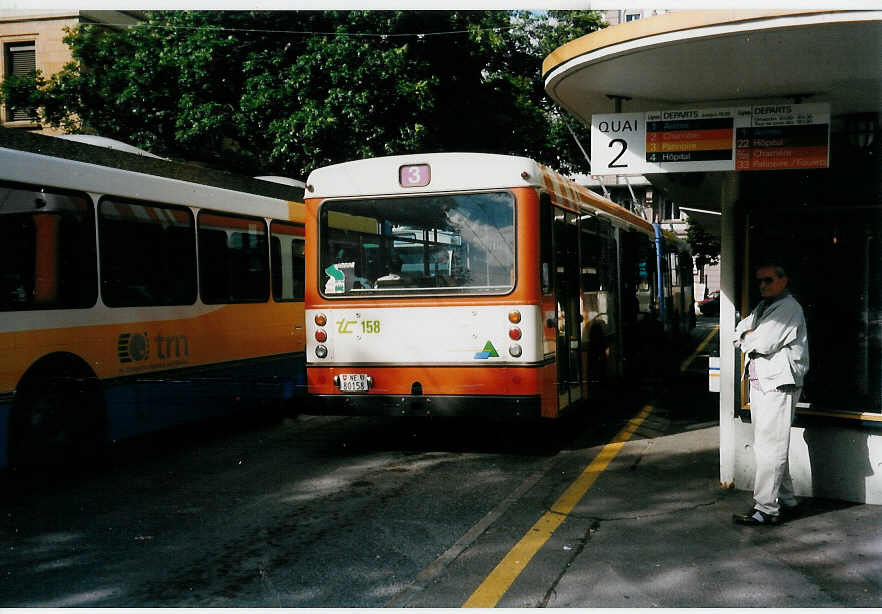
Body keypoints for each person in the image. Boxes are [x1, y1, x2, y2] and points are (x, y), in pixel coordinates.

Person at [733, 263, 809, 526]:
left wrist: (749, 337)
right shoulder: (764, 306)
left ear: (783, 280)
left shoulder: (788, 307)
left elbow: (764, 343)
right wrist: (749, 335)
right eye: (759, 281)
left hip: (778, 385)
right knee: (772, 446)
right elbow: (739, 332)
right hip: (762, 384)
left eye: (768, 280)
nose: (762, 285)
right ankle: (786, 500)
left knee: (770, 448)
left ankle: (766, 509)